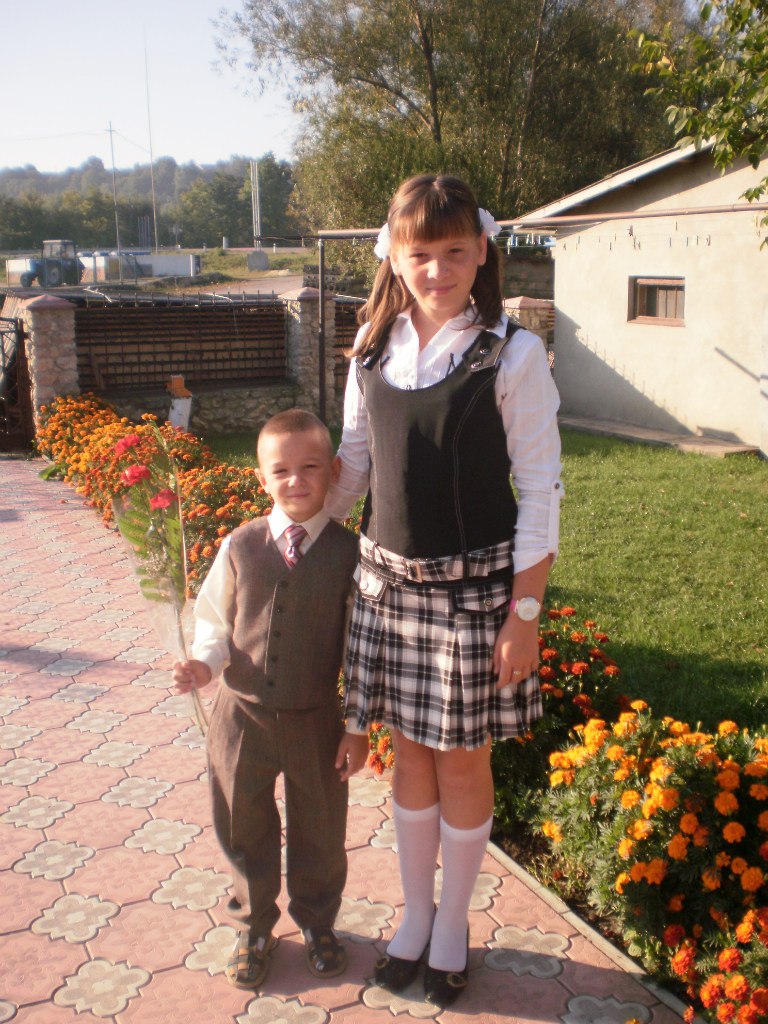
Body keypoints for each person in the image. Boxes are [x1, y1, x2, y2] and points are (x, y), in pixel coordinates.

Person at [325, 175, 563, 1008]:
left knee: (462, 765)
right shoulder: (370, 345)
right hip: (386, 593)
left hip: (471, 600)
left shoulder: (512, 353)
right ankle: (416, 915)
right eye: (420, 253)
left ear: (482, 251)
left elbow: (541, 489)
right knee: (411, 759)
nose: (438, 269)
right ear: (393, 255)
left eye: (455, 251)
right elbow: (356, 464)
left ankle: (454, 922)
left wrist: (524, 614)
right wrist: (291, 522)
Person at [172, 409, 368, 991]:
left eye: (311, 467)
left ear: (334, 472)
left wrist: (357, 725)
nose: (296, 481)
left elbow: (361, 648)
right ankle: (254, 926)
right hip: (241, 715)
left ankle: (317, 921)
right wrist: (203, 665)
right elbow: (214, 619)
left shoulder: (351, 554)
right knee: (242, 821)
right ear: (262, 478)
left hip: (316, 719)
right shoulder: (240, 545)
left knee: (321, 826)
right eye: (280, 471)